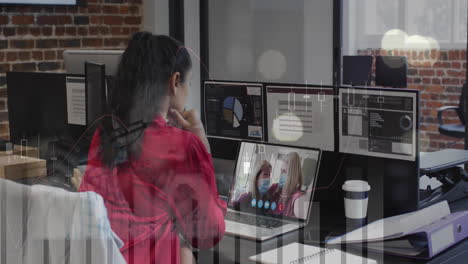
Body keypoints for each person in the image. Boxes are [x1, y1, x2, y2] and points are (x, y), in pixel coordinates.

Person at [79, 32, 226, 264]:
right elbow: (209, 233)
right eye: (188, 81)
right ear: (175, 82)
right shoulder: (183, 145)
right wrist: (201, 145)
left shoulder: (105, 133)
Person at [269, 152, 304, 217]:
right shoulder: (274, 187)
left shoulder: (297, 197)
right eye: (281, 171)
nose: (281, 174)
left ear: (293, 175)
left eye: (284, 171)